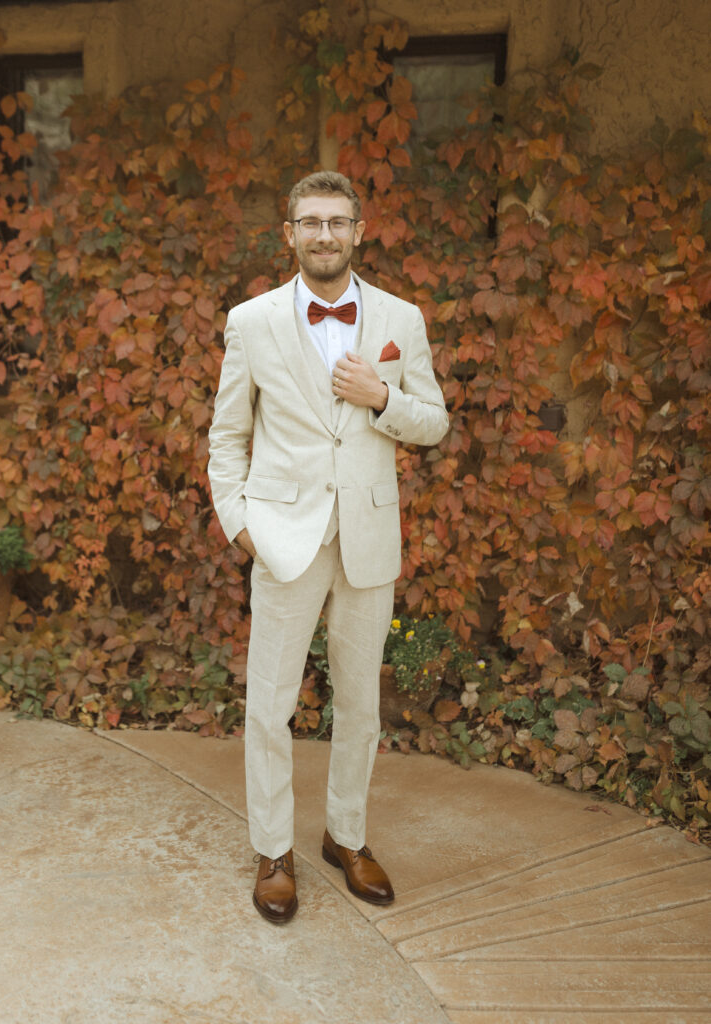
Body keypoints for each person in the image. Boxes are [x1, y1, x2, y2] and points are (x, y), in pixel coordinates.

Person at [208, 170, 448, 924]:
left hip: (368, 539)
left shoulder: (400, 319)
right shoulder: (250, 322)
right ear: (289, 234)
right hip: (284, 540)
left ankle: (344, 835)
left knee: (360, 705)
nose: (323, 234)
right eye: (309, 222)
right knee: (269, 705)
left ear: (358, 230)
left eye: (336, 222)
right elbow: (227, 436)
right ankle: (273, 849)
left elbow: (433, 422)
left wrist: (382, 400)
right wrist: (239, 525)